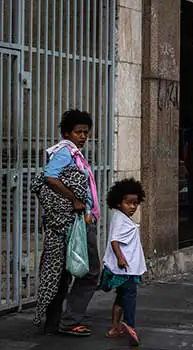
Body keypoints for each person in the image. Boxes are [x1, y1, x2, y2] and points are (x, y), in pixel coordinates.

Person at [33, 109, 100, 336]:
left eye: (86, 133)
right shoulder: (65, 152)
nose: (83, 136)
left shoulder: (73, 154)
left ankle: (53, 321)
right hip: (76, 221)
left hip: (77, 219)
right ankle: (70, 320)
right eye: (78, 132)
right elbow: (50, 177)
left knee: (64, 271)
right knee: (90, 272)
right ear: (67, 133)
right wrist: (74, 200)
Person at [100, 178, 147, 346]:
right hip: (126, 268)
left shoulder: (121, 217)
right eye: (128, 203)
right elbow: (114, 241)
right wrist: (120, 258)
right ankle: (129, 324)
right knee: (129, 296)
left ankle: (115, 328)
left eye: (135, 203)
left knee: (120, 297)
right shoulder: (120, 219)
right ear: (119, 203)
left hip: (125, 267)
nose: (133, 207)